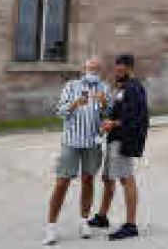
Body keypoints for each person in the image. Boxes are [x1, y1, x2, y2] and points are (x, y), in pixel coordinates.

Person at [45, 57, 111, 245]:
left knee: (88, 180)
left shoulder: (104, 88)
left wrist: (105, 104)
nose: (94, 72)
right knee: (62, 183)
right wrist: (75, 103)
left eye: (97, 69)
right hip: (71, 142)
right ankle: (51, 227)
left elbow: (108, 116)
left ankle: (84, 221)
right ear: (84, 69)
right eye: (91, 68)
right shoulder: (71, 86)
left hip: (92, 143)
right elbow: (60, 112)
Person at [89, 54, 150, 241]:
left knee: (126, 178)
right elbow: (119, 111)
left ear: (129, 68)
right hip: (114, 139)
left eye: (120, 70)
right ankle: (102, 216)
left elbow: (135, 117)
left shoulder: (134, 87)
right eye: (115, 70)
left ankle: (131, 225)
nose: (116, 73)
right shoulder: (122, 88)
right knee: (108, 178)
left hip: (124, 140)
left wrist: (113, 124)